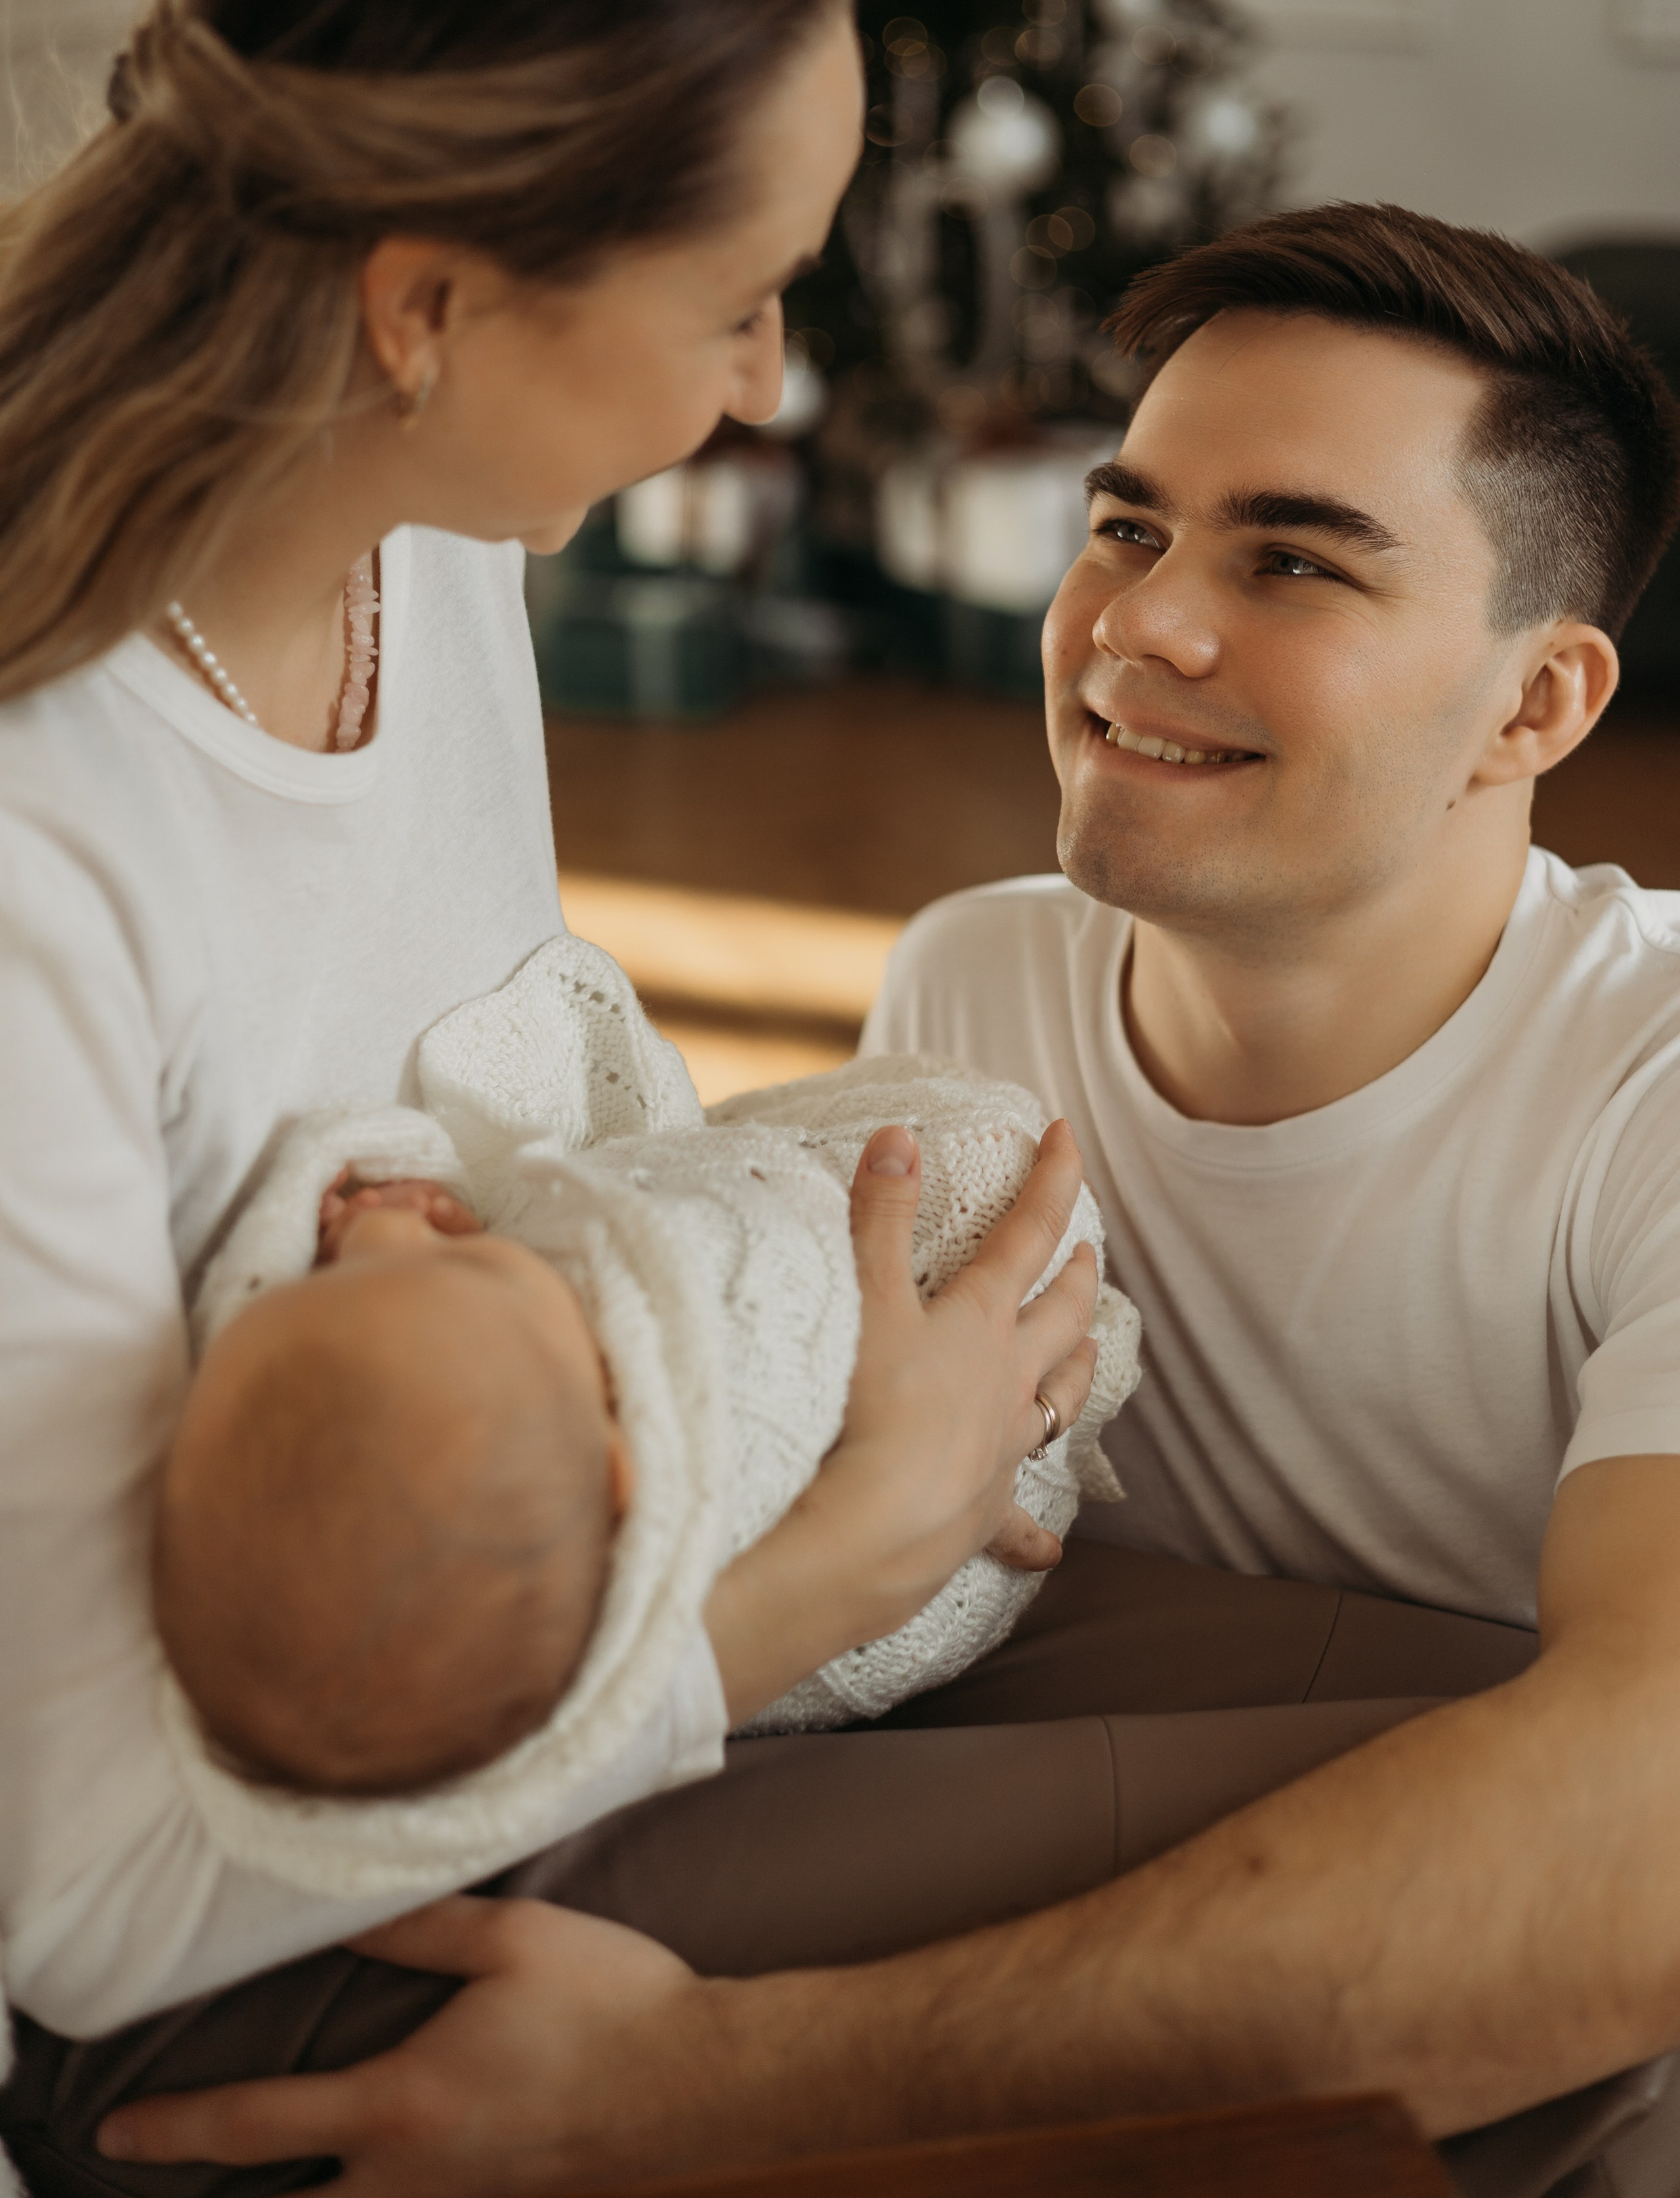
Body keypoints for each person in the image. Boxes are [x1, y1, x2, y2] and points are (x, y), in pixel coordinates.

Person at [87, 203, 1680, 2198]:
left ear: (1539, 709)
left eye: (1290, 561)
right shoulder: (978, 993)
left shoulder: (1656, 1089)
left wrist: (703, 2086)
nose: (1142, 625)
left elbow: (1640, 1841)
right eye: (1126, 526)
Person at [0, 0, 1101, 2188]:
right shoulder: (40, 856)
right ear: (424, 308)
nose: (767, 381)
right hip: (212, 1944)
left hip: (547, 1680)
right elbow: (74, 1898)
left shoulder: (433, 540)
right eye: (738, 301)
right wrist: (826, 1567)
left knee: (1459, 1749)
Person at [153, 935, 1137, 1811]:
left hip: (968, 1450)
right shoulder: (678, 1426)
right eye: (489, 1261)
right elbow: (746, 1230)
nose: (439, 1222)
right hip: (952, 1526)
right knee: (989, 1164)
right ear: (625, 1467)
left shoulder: (487, 1562)